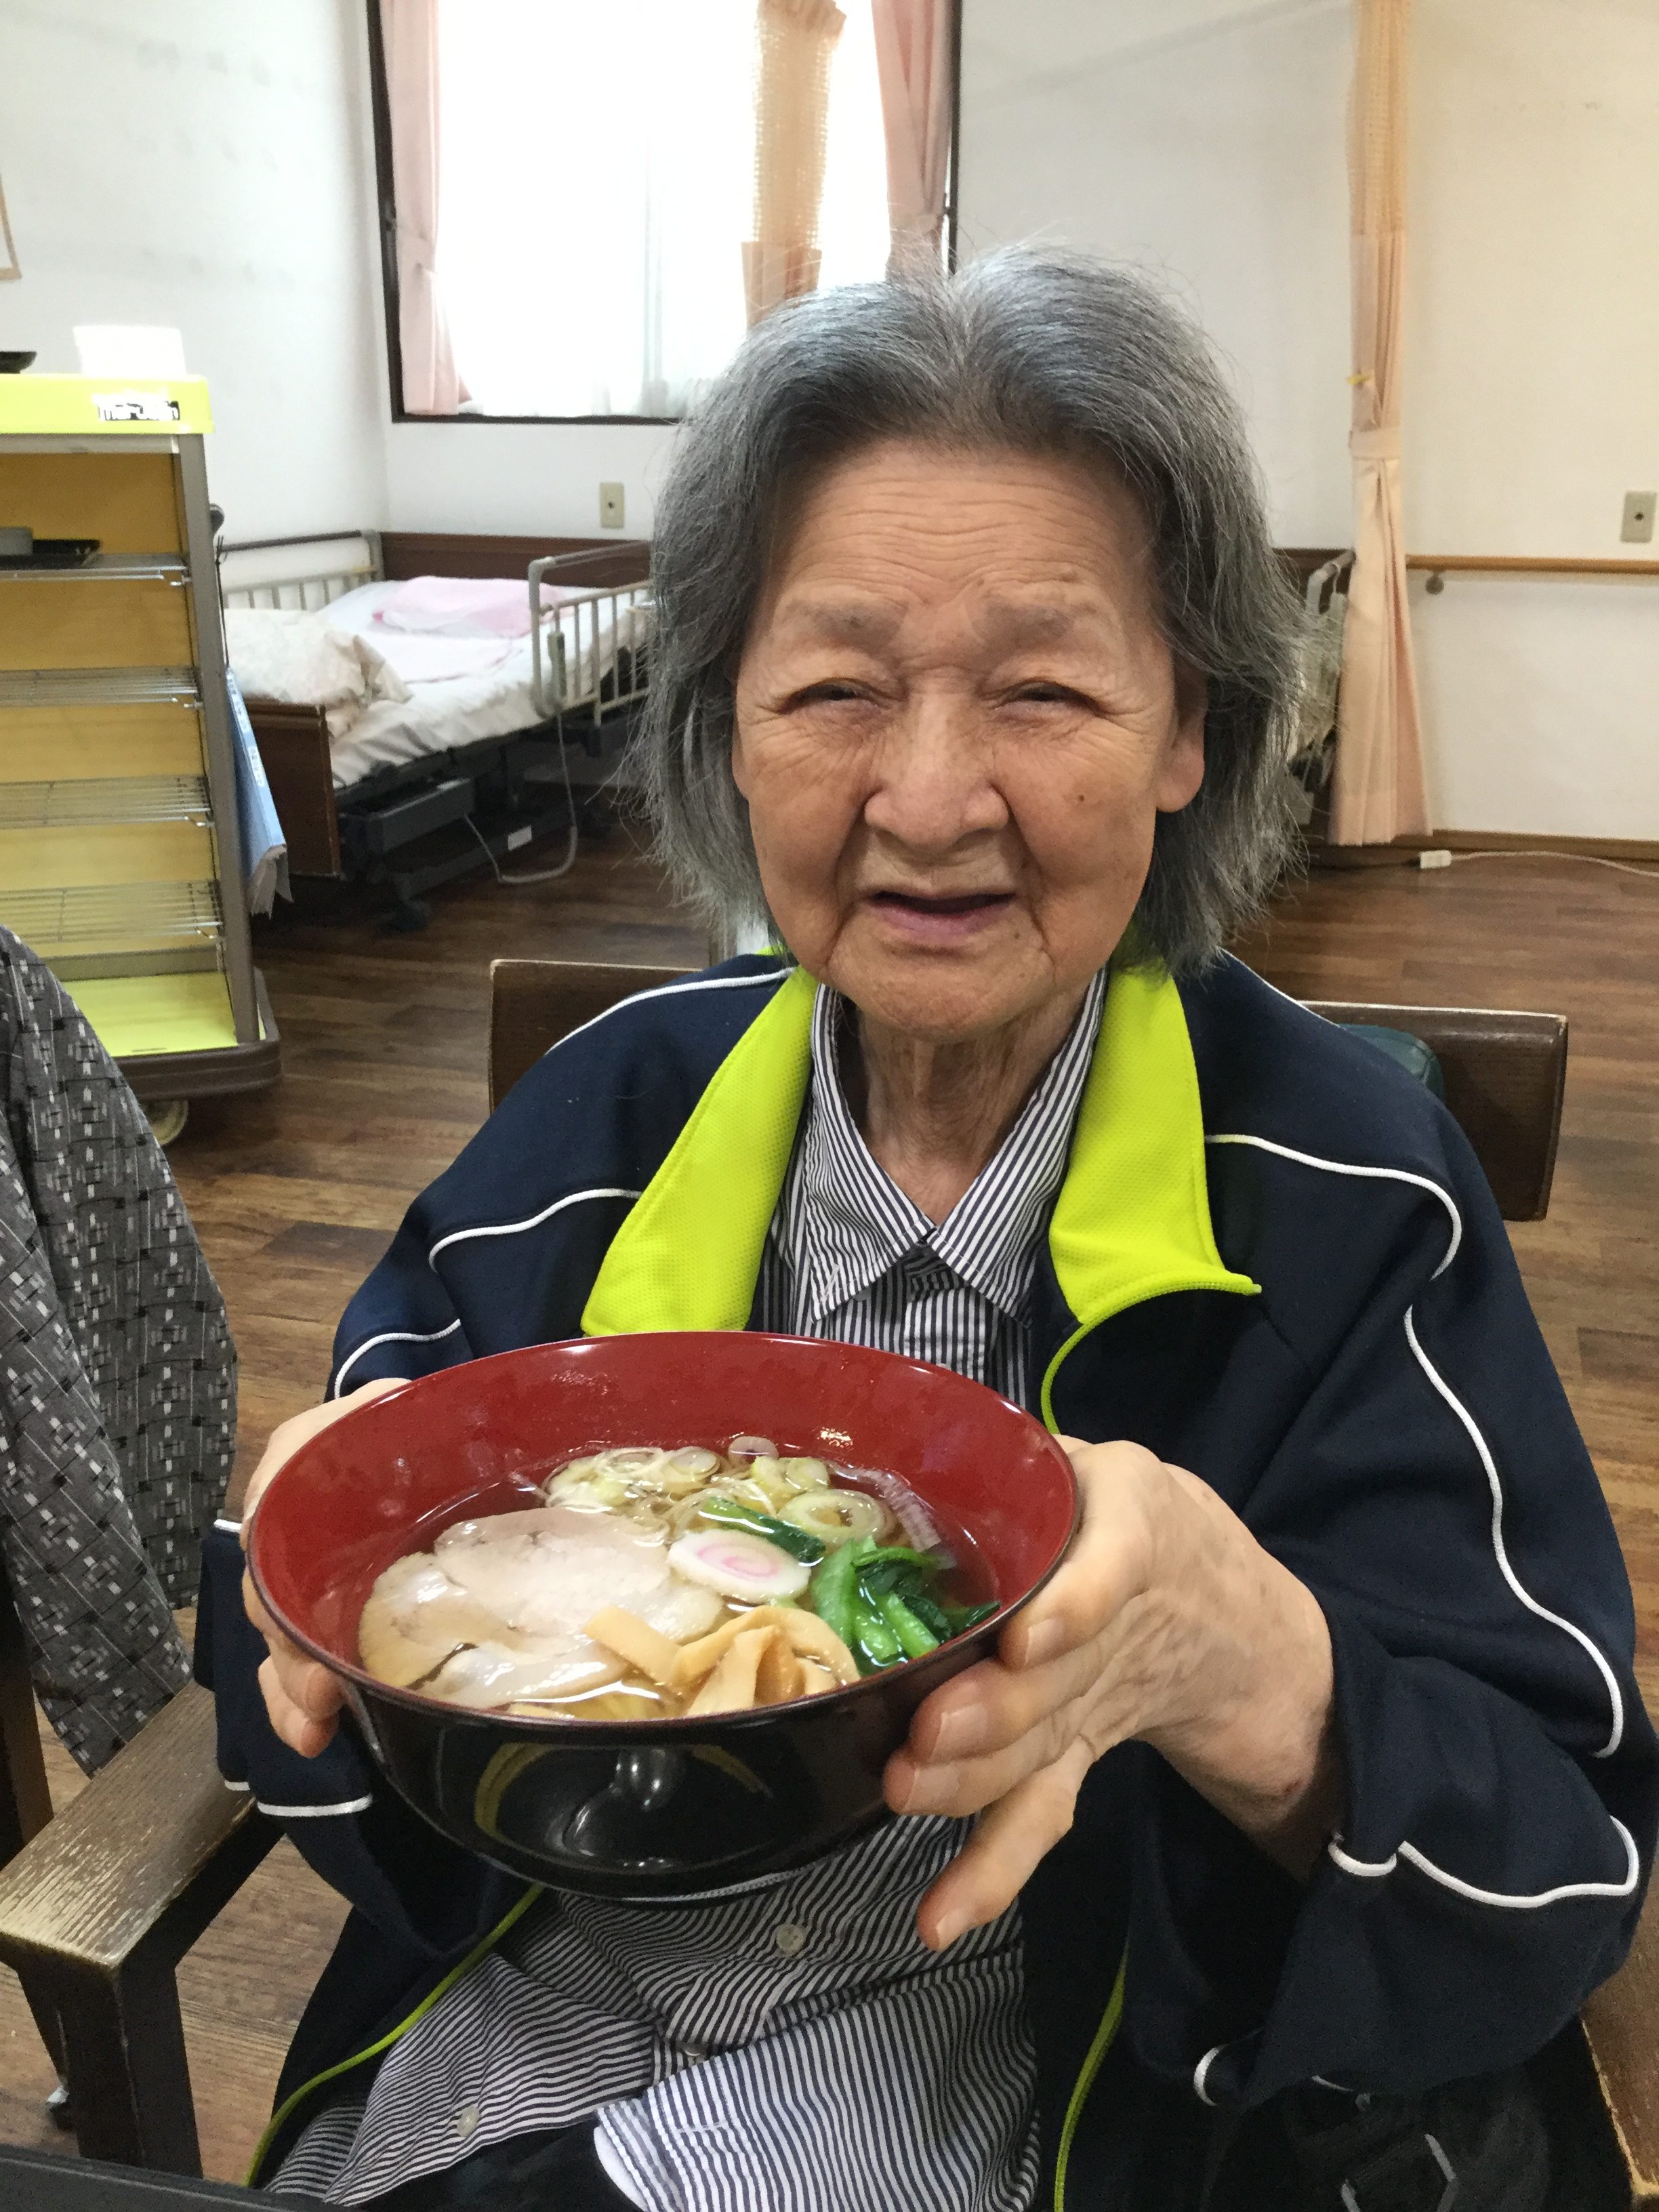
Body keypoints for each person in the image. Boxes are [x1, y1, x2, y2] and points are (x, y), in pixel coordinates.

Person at [199, 251, 1656, 2212]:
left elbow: (1554, 1867)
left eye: (1045, 688)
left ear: (1187, 733)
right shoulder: (594, 1134)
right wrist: (298, 1605)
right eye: (836, 687)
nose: (933, 793)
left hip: (1051, 2084)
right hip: (527, 2042)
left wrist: (1248, 1663)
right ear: (727, 725)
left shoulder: (1348, 1196)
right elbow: (322, 1731)